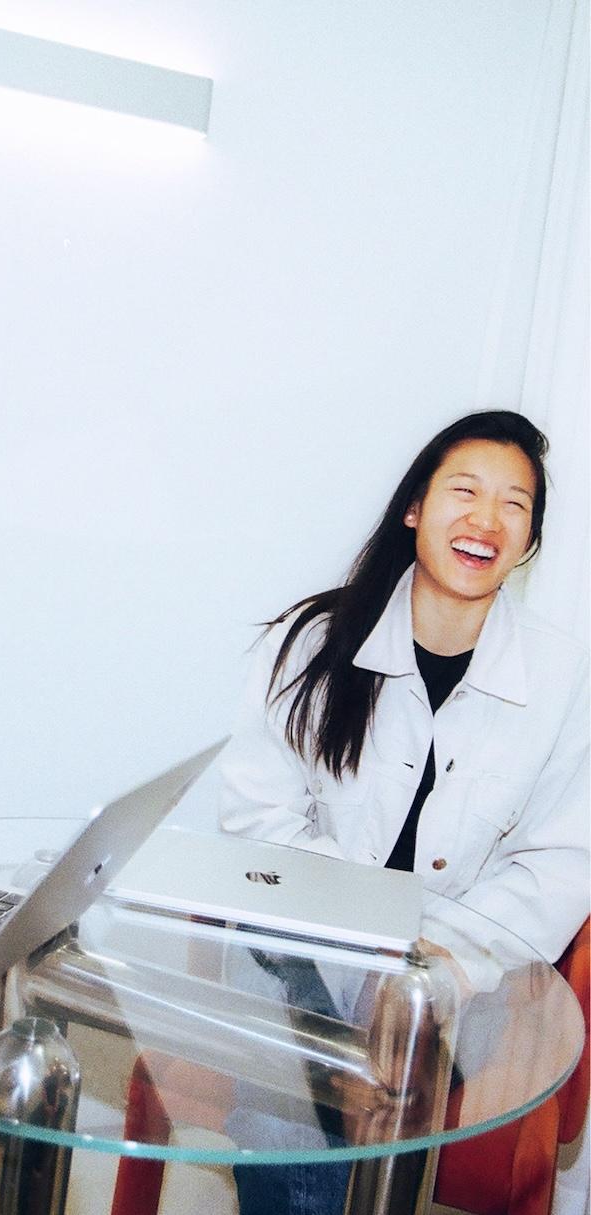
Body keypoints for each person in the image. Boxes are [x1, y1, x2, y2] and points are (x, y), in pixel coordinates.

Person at [219, 409, 589, 1214]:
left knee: (384, 1039)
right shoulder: (310, 640)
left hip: (464, 974)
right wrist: (372, 948)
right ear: (414, 509)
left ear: (526, 544)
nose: (486, 518)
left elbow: (562, 861)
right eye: (465, 490)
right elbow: (258, 823)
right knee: (304, 1055)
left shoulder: (566, 680)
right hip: (302, 942)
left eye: (514, 505)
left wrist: (438, 966)